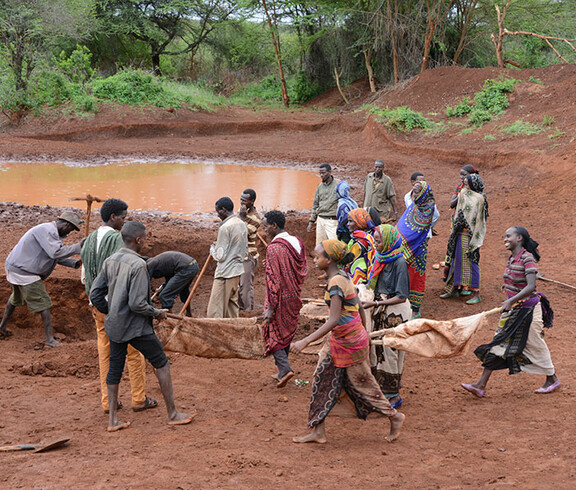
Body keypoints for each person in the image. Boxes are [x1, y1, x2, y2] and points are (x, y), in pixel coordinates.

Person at [291, 239, 404, 444]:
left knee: (363, 384)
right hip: (344, 339)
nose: (315, 260)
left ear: (330, 259)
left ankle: (394, 416)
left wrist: (305, 341)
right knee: (321, 379)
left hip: (347, 343)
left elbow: (333, 319)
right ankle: (318, 430)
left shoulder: (336, 283)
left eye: (318, 257)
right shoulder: (343, 276)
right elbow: (359, 306)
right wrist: (361, 330)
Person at [90, 221, 195, 432]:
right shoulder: (139, 266)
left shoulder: (110, 260)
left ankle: (113, 420)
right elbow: (137, 304)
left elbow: (95, 294)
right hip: (136, 328)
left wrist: (111, 311)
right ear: (138, 239)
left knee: (115, 369)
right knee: (161, 363)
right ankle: (173, 414)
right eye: (145, 238)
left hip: (115, 326)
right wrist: (157, 313)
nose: (146, 242)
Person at [462, 226, 560, 398]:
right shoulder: (512, 259)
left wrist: (511, 300)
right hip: (515, 310)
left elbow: (531, 287)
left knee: (535, 344)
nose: (505, 239)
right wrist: (509, 291)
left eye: (508, 236)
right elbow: (517, 282)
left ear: (519, 238)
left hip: (529, 311)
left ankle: (552, 379)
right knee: (499, 342)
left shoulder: (527, 258)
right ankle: (480, 385)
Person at [81, 199, 154, 413]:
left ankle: (108, 402)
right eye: (123, 217)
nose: (125, 220)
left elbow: (85, 277)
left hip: (96, 305)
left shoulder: (89, 239)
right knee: (133, 352)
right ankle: (138, 398)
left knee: (105, 353)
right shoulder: (118, 240)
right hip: (118, 308)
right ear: (113, 217)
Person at [0, 211, 84, 347]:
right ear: (67, 224)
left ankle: (2, 327)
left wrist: (75, 263)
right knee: (44, 304)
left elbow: (54, 256)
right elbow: (55, 253)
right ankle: (49, 339)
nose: (70, 233)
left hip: (15, 267)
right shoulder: (48, 231)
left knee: (15, 298)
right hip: (24, 272)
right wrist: (78, 247)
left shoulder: (49, 231)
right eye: (71, 229)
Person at [362, 224, 411, 409]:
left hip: (395, 312)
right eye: (375, 238)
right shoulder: (380, 258)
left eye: (379, 239)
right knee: (378, 350)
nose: (375, 242)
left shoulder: (399, 262)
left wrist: (376, 304)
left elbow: (401, 295)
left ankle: (393, 395)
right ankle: (383, 389)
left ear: (389, 241)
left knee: (390, 350)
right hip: (381, 309)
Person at [262, 210, 308, 388]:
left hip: (279, 298)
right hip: (294, 295)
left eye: (266, 226)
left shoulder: (274, 248)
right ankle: (282, 370)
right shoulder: (296, 242)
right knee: (286, 330)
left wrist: (271, 307)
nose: (264, 230)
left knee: (273, 331)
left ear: (274, 226)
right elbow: (301, 268)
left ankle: (285, 368)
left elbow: (274, 280)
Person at [441, 174, 488, 304]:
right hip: (458, 232)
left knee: (472, 261)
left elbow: (481, 220)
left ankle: (476, 293)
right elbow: (457, 211)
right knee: (456, 259)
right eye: (464, 184)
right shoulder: (462, 193)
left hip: (471, 234)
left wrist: (476, 236)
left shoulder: (480, 199)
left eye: (467, 184)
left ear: (473, 184)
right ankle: (454, 288)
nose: (465, 186)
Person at [397, 181, 435, 318]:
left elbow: (417, 230)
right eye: (413, 191)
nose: (414, 194)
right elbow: (404, 224)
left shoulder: (427, 208)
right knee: (405, 275)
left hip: (417, 249)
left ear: (424, 193)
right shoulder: (414, 205)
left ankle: (415, 309)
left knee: (416, 277)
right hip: (407, 246)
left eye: (417, 191)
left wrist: (401, 240)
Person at [207, 197, 248, 318]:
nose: (217, 214)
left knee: (215, 309)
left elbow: (220, 256)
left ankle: (215, 332)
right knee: (231, 306)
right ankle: (233, 329)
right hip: (237, 271)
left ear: (224, 210)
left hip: (225, 273)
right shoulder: (241, 223)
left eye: (218, 211)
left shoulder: (225, 228)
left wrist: (212, 250)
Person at [238, 188, 262, 311]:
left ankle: (247, 311)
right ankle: (240, 308)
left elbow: (243, 233)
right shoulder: (243, 211)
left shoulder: (256, 218)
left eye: (244, 200)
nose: (241, 203)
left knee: (246, 286)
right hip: (240, 254)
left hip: (249, 256)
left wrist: (242, 218)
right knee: (239, 285)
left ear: (252, 201)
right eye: (241, 199)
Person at [307, 163, 340, 245]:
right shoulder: (320, 186)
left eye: (323, 173)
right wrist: (311, 222)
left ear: (330, 172)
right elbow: (315, 204)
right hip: (320, 219)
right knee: (320, 246)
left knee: (334, 246)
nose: (321, 175)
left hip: (332, 221)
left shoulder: (339, 184)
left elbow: (344, 202)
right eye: (320, 173)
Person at [344, 208, 376, 285]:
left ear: (359, 223)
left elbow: (349, 262)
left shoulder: (359, 242)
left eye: (351, 221)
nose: (348, 224)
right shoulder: (369, 236)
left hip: (358, 278)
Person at [404, 172, 440, 238]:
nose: (423, 183)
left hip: (422, 232)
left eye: (424, 181)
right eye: (420, 181)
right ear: (413, 182)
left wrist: (428, 226)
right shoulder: (407, 197)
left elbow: (436, 215)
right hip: (412, 231)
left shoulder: (427, 198)